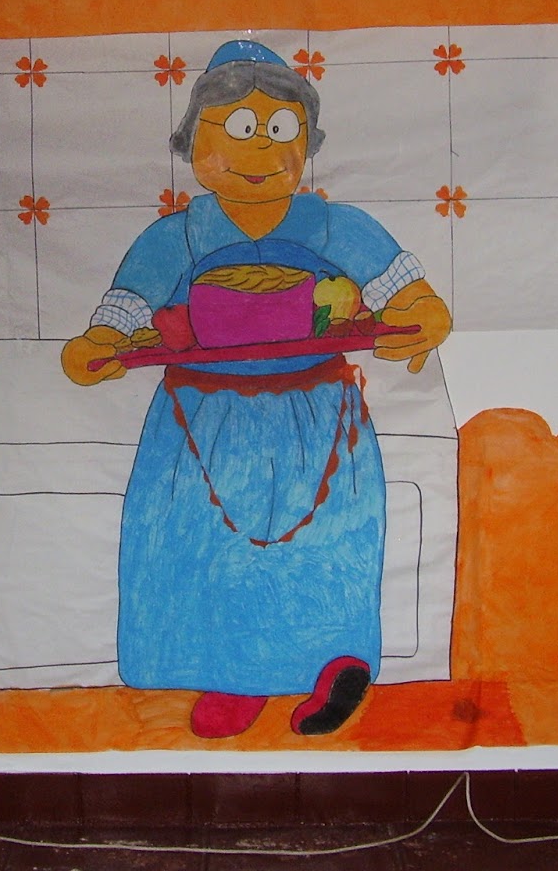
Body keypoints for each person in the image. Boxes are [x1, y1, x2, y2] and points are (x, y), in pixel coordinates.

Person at [61, 39, 451, 739]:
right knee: (206, 550)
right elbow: (123, 310)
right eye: (239, 127)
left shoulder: (334, 225)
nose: (261, 149)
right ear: (196, 142)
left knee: (325, 547)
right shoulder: (178, 236)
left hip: (318, 411)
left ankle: (334, 664)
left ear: (305, 144)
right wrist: (100, 343)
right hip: (200, 418)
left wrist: (422, 315)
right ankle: (234, 676)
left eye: (281, 129)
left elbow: (407, 291)